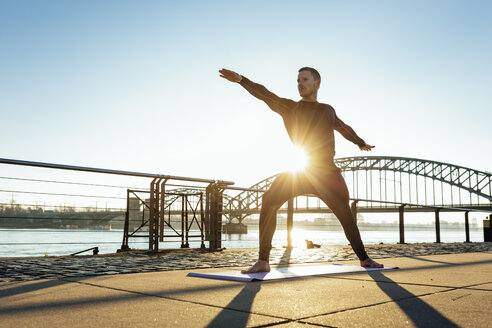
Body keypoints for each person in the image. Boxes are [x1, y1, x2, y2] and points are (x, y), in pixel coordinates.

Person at [219, 67, 383, 273]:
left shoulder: (327, 110)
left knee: (345, 215)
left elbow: (343, 128)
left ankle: (365, 258)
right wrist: (242, 80)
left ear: (317, 83)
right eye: (298, 80)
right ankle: (263, 260)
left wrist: (360, 142)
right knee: (269, 201)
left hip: (327, 173)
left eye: (305, 79)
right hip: (300, 171)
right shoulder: (289, 108)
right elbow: (265, 94)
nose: (300, 83)